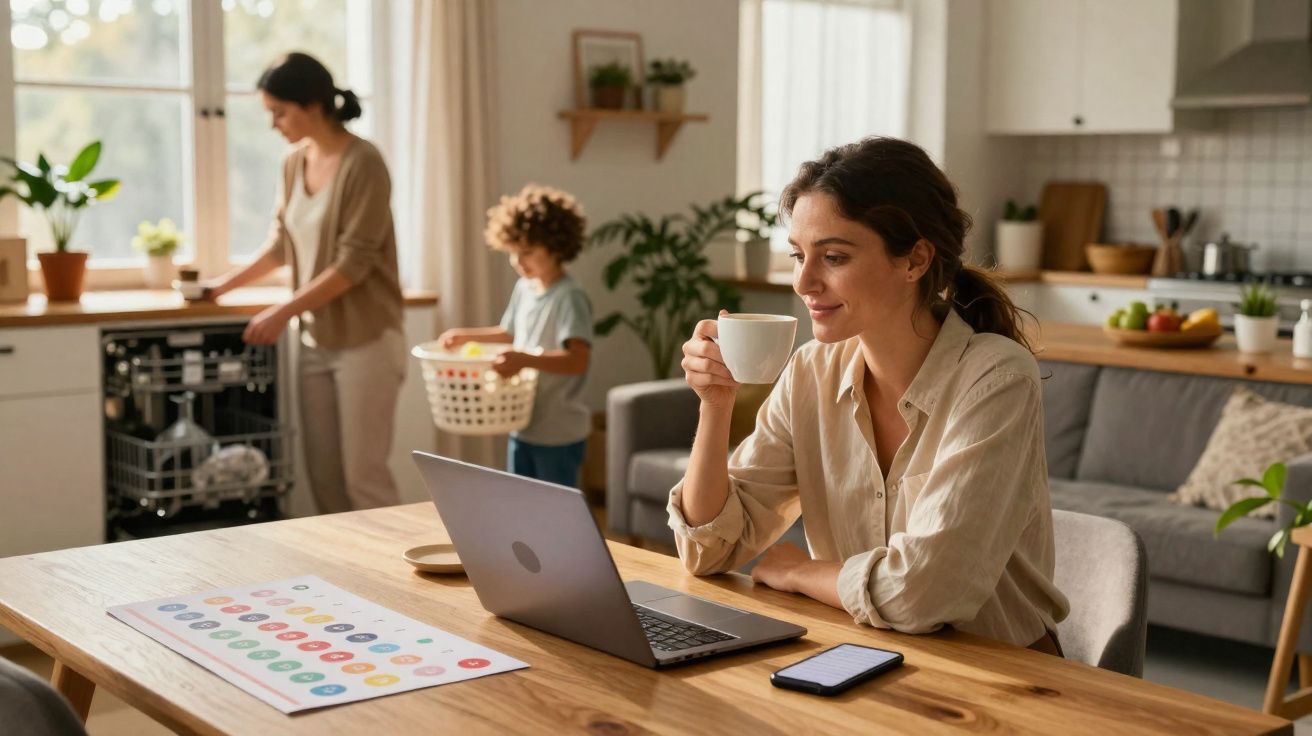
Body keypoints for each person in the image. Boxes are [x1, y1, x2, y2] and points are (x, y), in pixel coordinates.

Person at [671, 137, 1070, 653]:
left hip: (1001, 674)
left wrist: (803, 573)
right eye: (798, 256)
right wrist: (715, 404)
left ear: (915, 260)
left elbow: (924, 594)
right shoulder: (810, 373)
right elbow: (707, 551)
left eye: (833, 257)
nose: (804, 283)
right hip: (863, 654)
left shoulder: (996, 378)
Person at [202, 52, 405, 513]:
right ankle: (345, 563)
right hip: (315, 340)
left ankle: (393, 561)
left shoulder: (364, 162)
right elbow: (281, 245)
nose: (273, 124)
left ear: (313, 104)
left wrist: (282, 311)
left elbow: (354, 264)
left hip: (367, 339)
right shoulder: (294, 162)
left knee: (364, 479)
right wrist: (219, 288)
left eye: (279, 112)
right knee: (324, 479)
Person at [439, 185, 593, 488]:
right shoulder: (525, 288)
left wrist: (524, 360)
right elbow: (508, 334)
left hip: (558, 431)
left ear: (556, 247)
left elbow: (578, 360)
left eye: (527, 252)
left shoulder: (569, 296)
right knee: (519, 503)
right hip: (522, 424)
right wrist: (465, 337)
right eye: (513, 252)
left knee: (554, 510)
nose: (517, 261)